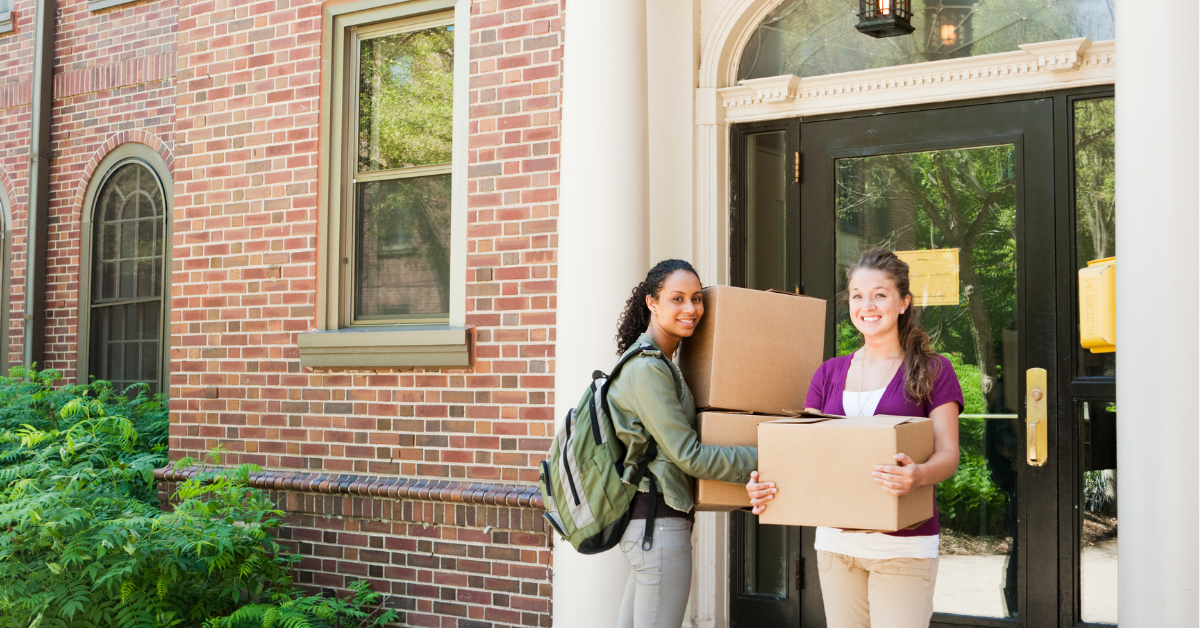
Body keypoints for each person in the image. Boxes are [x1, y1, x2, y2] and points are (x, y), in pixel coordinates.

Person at [745, 247, 963, 628]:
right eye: (858, 296)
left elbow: (948, 454)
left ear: (903, 302)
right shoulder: (828, 373)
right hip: (836, 545)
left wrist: (919, 475)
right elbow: (804, 453)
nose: (868, 305)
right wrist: (765, 484)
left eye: (880, 294)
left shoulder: (932, 370)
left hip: (903, 545)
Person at [607, 259, 758, 628]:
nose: (690, 309)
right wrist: (768, 456)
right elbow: (687, 455)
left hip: (649, 527)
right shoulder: (648, 369)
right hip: (657, 529)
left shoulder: (662, 363)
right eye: (677, 299)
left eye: (696, 298)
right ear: (652, 303)